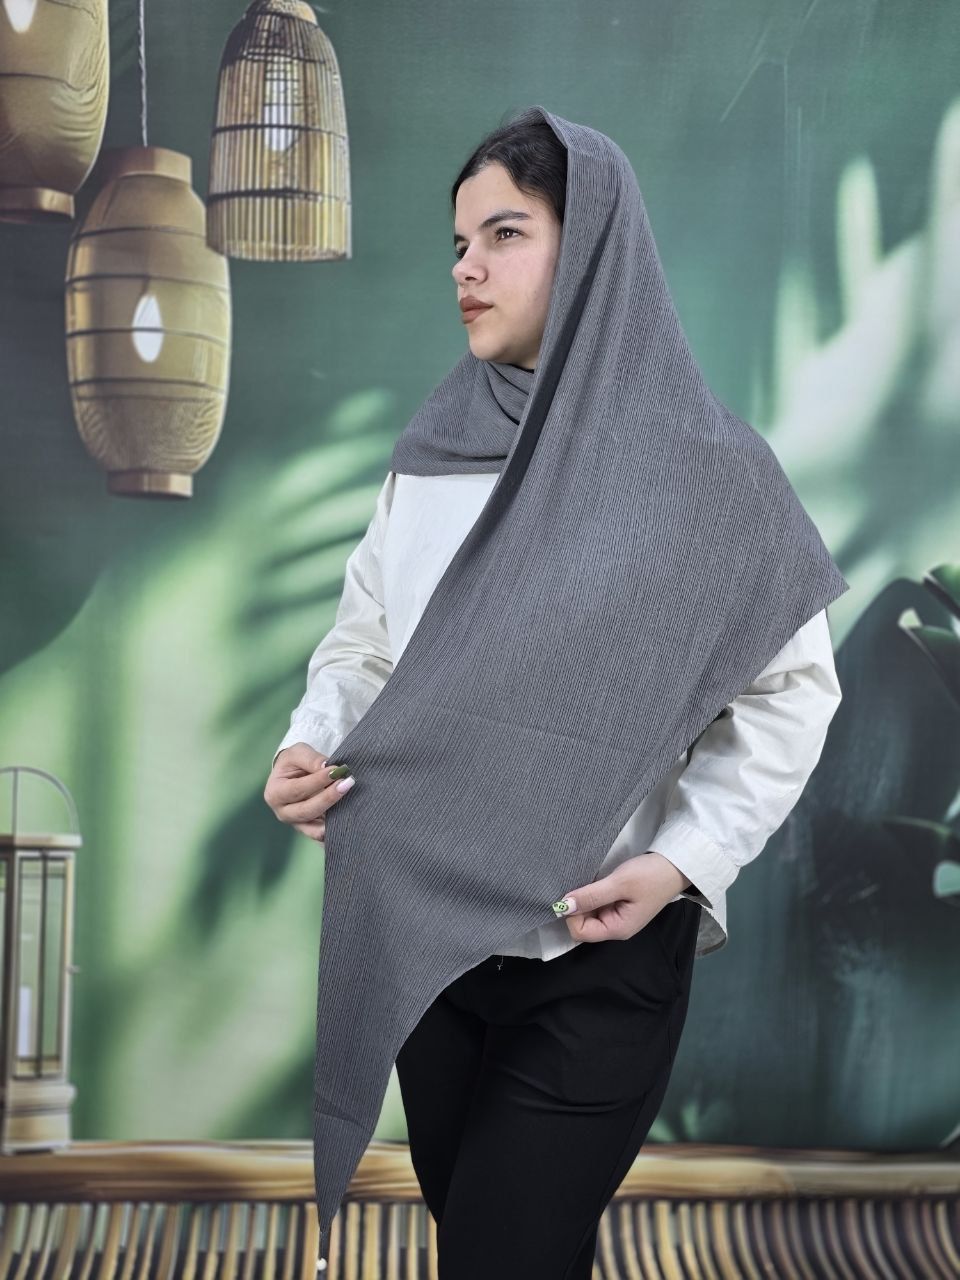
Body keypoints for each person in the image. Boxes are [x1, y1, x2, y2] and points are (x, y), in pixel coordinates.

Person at [264, 112, 845, 1278]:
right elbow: (367, 640)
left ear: (591, 252)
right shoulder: (434, 454)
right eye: (458, 243)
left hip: (597, 956)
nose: (465, 267)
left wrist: (681, 863)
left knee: (500, 1257)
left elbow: (792, 694)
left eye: (504, 234)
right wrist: (309, 740)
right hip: (426, 944)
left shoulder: (710, 474)